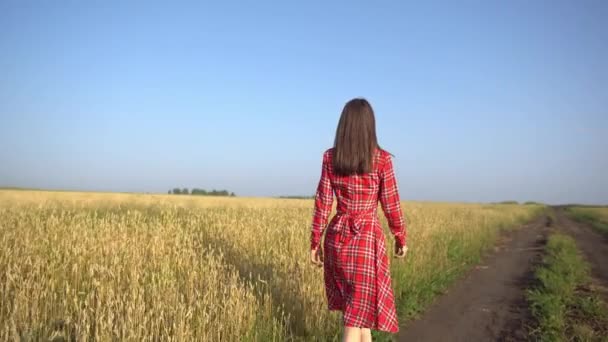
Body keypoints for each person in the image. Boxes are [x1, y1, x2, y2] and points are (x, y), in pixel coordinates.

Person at [310, 98, 408, 342]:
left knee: (359, 315)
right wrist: (400, 236)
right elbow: (391, 203)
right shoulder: (382, 159)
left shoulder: (330, 158)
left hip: (337, 237)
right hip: (366, 240)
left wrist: (315, 241)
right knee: (355, 317)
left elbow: (323, 202)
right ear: (369, 126)